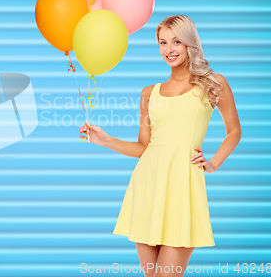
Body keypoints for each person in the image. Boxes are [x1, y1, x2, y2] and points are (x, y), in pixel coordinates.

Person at [79, 15, 242, 277]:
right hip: (148, 187)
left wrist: (212, 164)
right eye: (162, 42)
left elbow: (234, 131)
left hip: (182, 188)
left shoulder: (212, 83)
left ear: (190, 43)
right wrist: (105, 140)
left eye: (176, 41)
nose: (169, 49)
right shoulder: (148, 93)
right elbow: (145, 147)